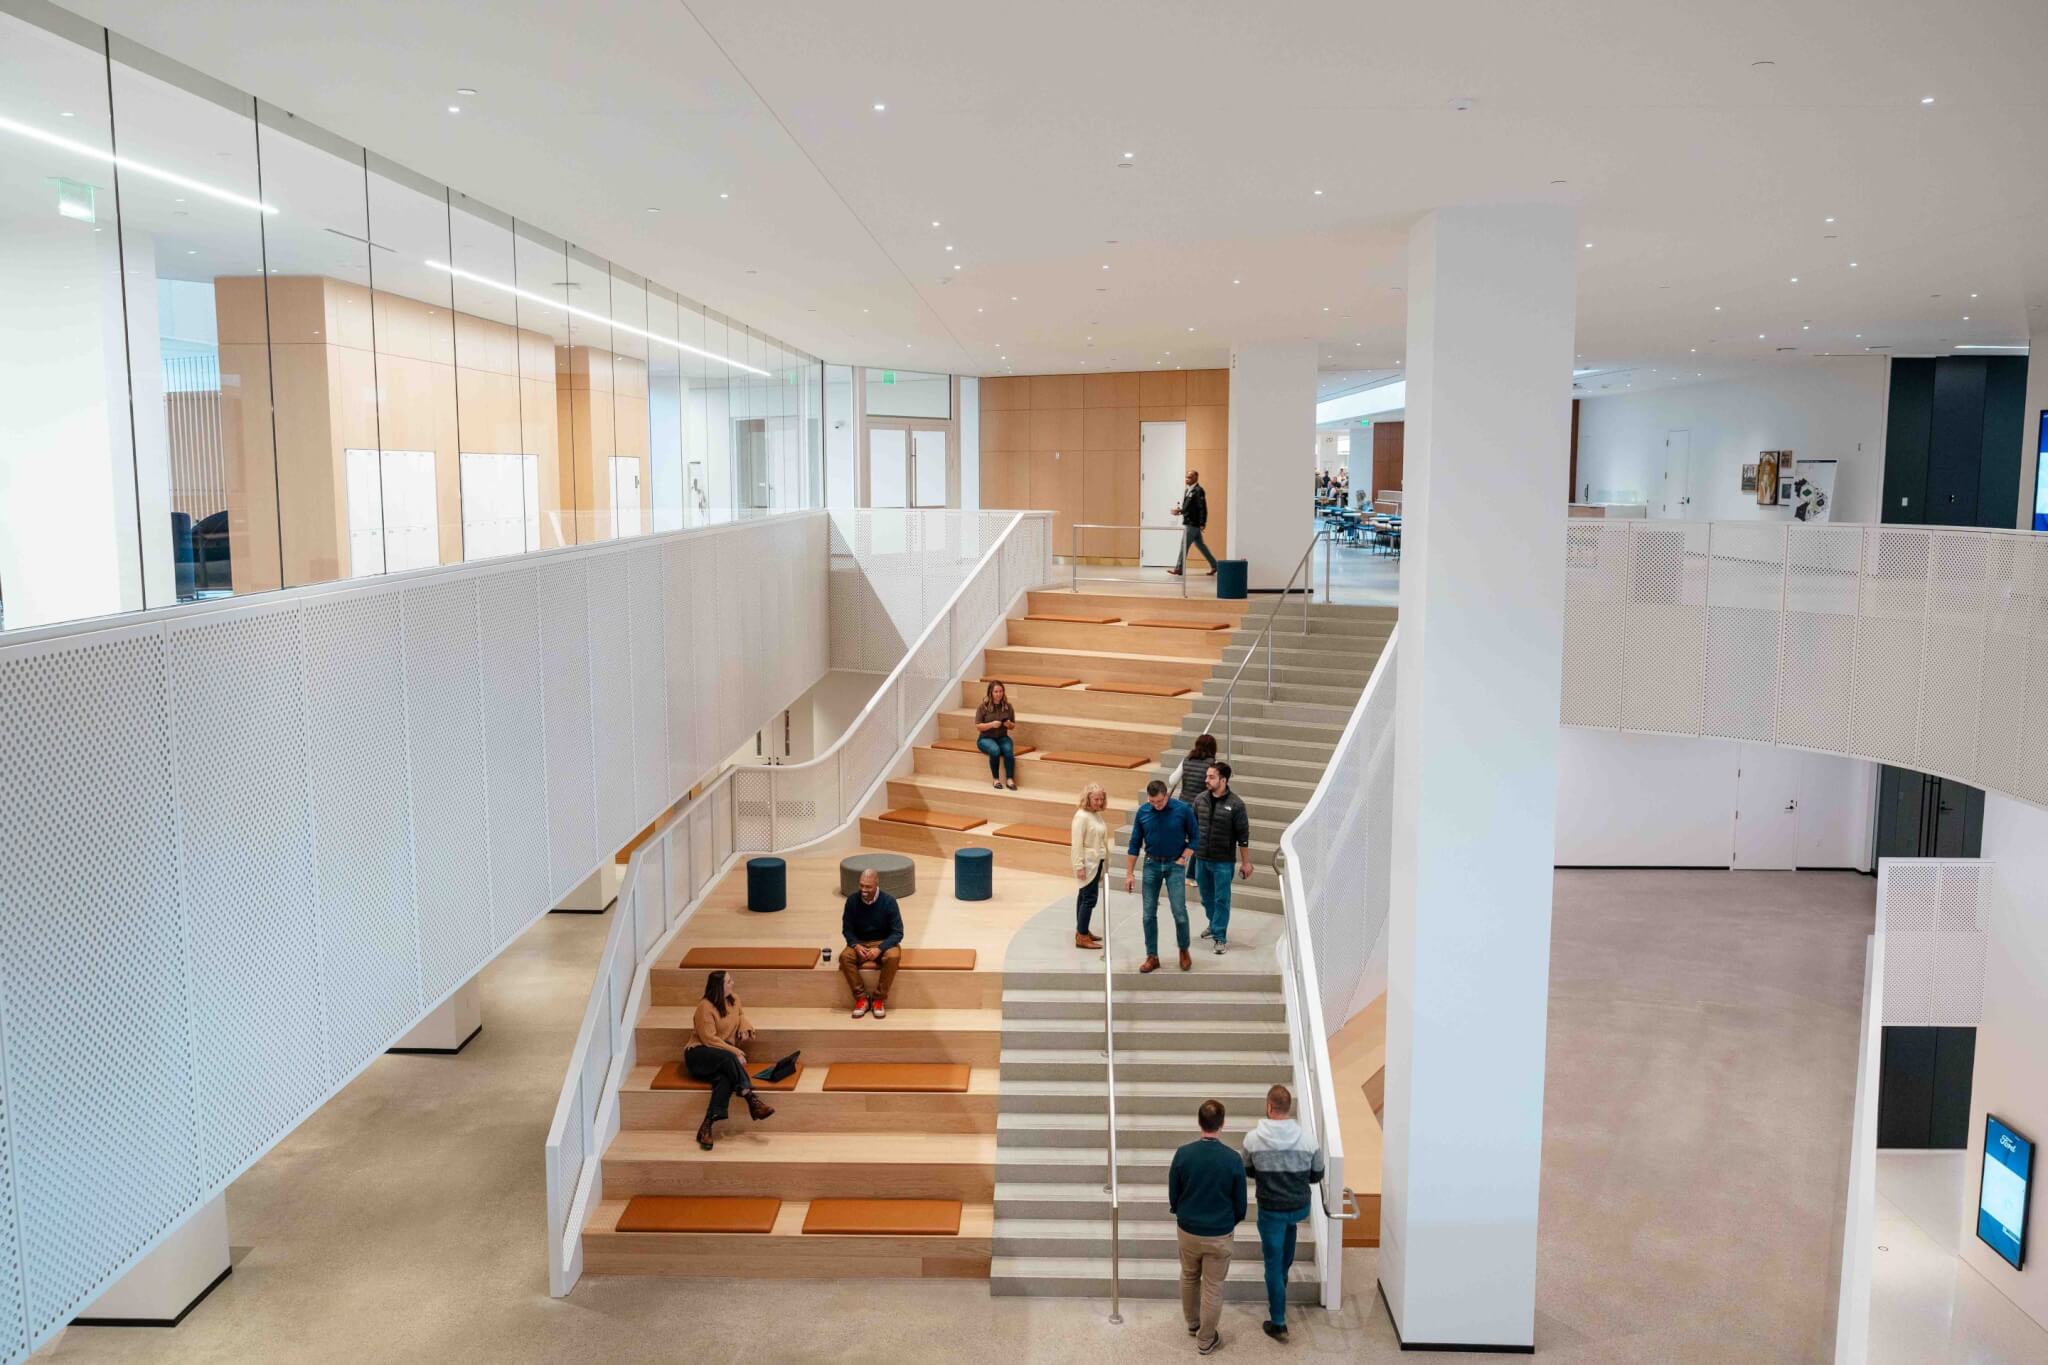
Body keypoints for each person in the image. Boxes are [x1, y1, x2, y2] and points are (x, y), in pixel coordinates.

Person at [1243, 1084, 1325, 1341]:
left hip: (1271, 1208)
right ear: (1288, 1109)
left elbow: (1247, 1169)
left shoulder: (1252, 1139)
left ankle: (1278, 1320)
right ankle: (1282, 1282)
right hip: (1297, 1208)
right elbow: (1317, 1174)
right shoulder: (1308, 1140)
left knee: (1272, 1263)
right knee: (1285, 1251)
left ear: (1269, 1107)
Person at [1169, 1099, 1246, 1355]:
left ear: (1199, 1122)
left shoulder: (1183, 1154)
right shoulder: (1232, 1159)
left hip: (1188, 1229)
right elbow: (1241, 1203)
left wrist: (1183, 1214)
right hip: (1219, 1232)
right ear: (1222, 1124)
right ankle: (1206, 1339)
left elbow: (1174, 1194)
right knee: (1213, 1285)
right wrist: (1228, 1221)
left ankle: (1192, 1324)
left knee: (1189, 1275)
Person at [684, 969, 775, 1150]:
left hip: (722, 1055)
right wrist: (735, 1051)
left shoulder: (734, 999)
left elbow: (740, 1015)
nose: (732, 983)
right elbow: (709, 1039)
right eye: (728, 982)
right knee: (728, 1058)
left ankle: (706, 1126)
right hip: (700, 1054)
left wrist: (745, 1026)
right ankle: (750, 1097)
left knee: (725, 1079)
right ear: (718, 987)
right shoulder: (705, 1007)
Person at [1124, 778, 1198, 973]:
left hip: (1175, 864)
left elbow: (1196, 837)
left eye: (1160, 801)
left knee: (1179, 912)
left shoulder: (1182, 810)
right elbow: (1134, 844)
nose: (1156, 805)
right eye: (1152, 802)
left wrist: (1184, 857)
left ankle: (1184, 950)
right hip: (1151, 864)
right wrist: (1129, 873)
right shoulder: (1143, 812)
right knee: (1148, 914)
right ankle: (1152, 955)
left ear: (1166, 795)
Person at [1191, 761, 1252, 955]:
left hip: (1223, 861)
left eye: (1211, 777)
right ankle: (1214, 923)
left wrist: (1245, 862)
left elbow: (1243, 836)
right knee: (1205, 898)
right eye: (1207, 776)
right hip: (1201, 858)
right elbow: (1192, 828)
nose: (1206, 780)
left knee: (1221, 899)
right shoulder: (1200, 800)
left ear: (1223, 780)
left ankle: (1219, 936)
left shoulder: (1236, 805)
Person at [839, 868, 904, 1019]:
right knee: (844, 957)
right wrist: (855, 945)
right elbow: (847, 930)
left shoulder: (889, 902)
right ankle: (862, 998)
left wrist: (880, 948)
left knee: (893, 957)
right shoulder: (852, 901)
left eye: (868, 886)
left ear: (876, 884)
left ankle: (879, 999)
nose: (863, 890)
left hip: (883, 941)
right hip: (860, 943)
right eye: (861, 885)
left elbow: (897, 933)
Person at [1070, 783, 1110, 949]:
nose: (1099, 802)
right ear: (1088, 798)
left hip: (1097, 861)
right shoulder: (1082, 816)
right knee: (1089, 898)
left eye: (1101, 799)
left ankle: (1082, 930)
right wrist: (1079, 866)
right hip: (1088, 863)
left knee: (1084, 896)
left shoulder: (1095, 815)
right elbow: (1077, 843)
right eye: (1095, 799)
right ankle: (1082, 936)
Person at [1166, 469, 1217, 577]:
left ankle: (1179, 568)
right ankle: (1215, 565)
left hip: (1193, 524)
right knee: (1201, 546)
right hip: (1189, 522)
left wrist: (1203, 522)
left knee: (1184, 545)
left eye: (1189, 477)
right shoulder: (1187, 490)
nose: (1187, 479)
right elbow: (1188, 508)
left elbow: (1203, 508)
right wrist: (1180, 511)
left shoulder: (1199, 491)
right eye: (1186, 477)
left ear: (1195, 478)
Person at [974, 680, 1019, 790]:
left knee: (1009, 751)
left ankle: (1009, 779)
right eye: (996, 692)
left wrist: (1008, 724)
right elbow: (978, 726)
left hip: (1002, 737)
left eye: (1001, 691)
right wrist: (991, 725)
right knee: (995, 750)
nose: (999, 694)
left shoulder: (1008, 706)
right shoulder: (982, 707)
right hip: (985, 738)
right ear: (991, 693)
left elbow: (1013, 726)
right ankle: (996, 780)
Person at [1178, 732, 1218, 806]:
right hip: (1201, 805)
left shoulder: (1186, 760)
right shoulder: (1213, 763)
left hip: (1183, 804)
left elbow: (1172, 780)